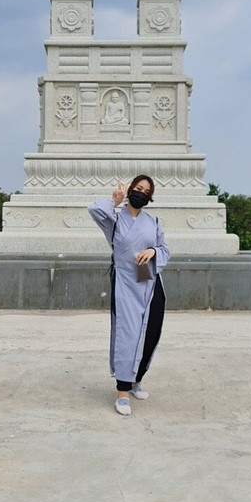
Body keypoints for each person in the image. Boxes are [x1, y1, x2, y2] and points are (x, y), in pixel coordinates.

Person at [88, 175, 170, 416]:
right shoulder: (114, 219)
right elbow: (93, 209)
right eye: (137, 188)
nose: (141, 193)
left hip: (151, 283)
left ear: (150, 197)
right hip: (126, 283)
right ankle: (122, 391)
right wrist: (114, 201)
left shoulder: (153, 222)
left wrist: (152, 251)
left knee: (151, 332)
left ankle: (137, 380)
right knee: (128, 333)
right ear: (130, 190)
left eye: (146, 191)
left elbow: (165, 249)